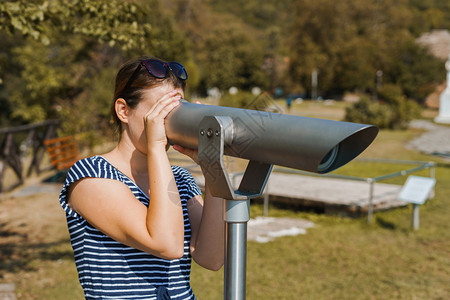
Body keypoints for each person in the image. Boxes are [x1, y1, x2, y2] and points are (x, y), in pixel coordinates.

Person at [59, 57, 225, 299]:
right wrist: (156, 145)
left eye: (177, 111)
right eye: (160, 111)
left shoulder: (180, 179)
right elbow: (167, 244)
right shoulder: (90, 177)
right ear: (123, 111)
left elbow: (212, 258)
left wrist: (212, 171)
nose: (168, 122)